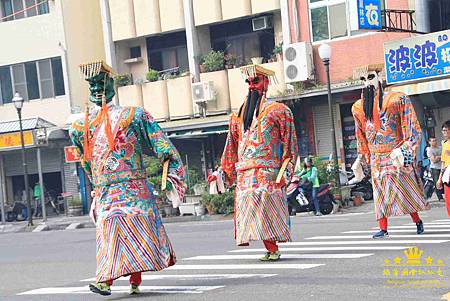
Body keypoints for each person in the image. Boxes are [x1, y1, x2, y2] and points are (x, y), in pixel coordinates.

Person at [69, 61, 185, 296]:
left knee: (135, 231)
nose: (96, 90)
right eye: (91, 85)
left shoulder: (133, 116)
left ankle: (134, 279)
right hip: (106, 192)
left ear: (111, 84)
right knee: (110, 234)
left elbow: (160, 143)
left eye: (100, 83)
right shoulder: (81, 126)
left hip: (133, 189)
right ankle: (105, 280)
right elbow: (86, 161)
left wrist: (170, 173)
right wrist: (94, 190)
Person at [221, 64, 298, 262]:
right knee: (252, 214)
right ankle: (270, 249)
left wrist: (285, 172)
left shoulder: (279, 111)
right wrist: (223, 172)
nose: (251, 86)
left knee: (267, 212)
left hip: (268, 173)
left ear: (266, 82)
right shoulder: (237, 116)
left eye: (255, 81)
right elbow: (231, 147)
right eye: (248, 82)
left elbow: (290, 145)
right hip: (246, 174)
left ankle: (273, 248)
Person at [352, 64, 428, 239]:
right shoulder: (358, 108)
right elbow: (360, 134)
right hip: (376, 157)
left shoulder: (396, 99)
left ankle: (417, 220)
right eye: (363, 80)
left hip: (395, 154)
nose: (367, 83)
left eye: (370, 77)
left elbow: (411, 126)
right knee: (379, 194)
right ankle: (383, 227)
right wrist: (362, 155)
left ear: (379, 78)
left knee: (404, 190)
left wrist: (406, 148)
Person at [437, 120, 450, 215]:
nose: (444, 132)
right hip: (447, 175)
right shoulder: (444, 144)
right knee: (448, 202)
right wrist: (439, 178)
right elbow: (443, 161)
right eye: (443, 130)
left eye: (446, 130)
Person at [426, 136, 444, 201]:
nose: (434, 142)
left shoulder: (440, 148)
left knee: (444, 181)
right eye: (433, 141)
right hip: (435, 168)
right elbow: (433, 160)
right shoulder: (429, 150)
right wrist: (441, 157)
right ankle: (440, 197)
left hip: (442, 166)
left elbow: (445, 156)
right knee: (437, 182)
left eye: (435, 140)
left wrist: (437, 157)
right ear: (429, 142)